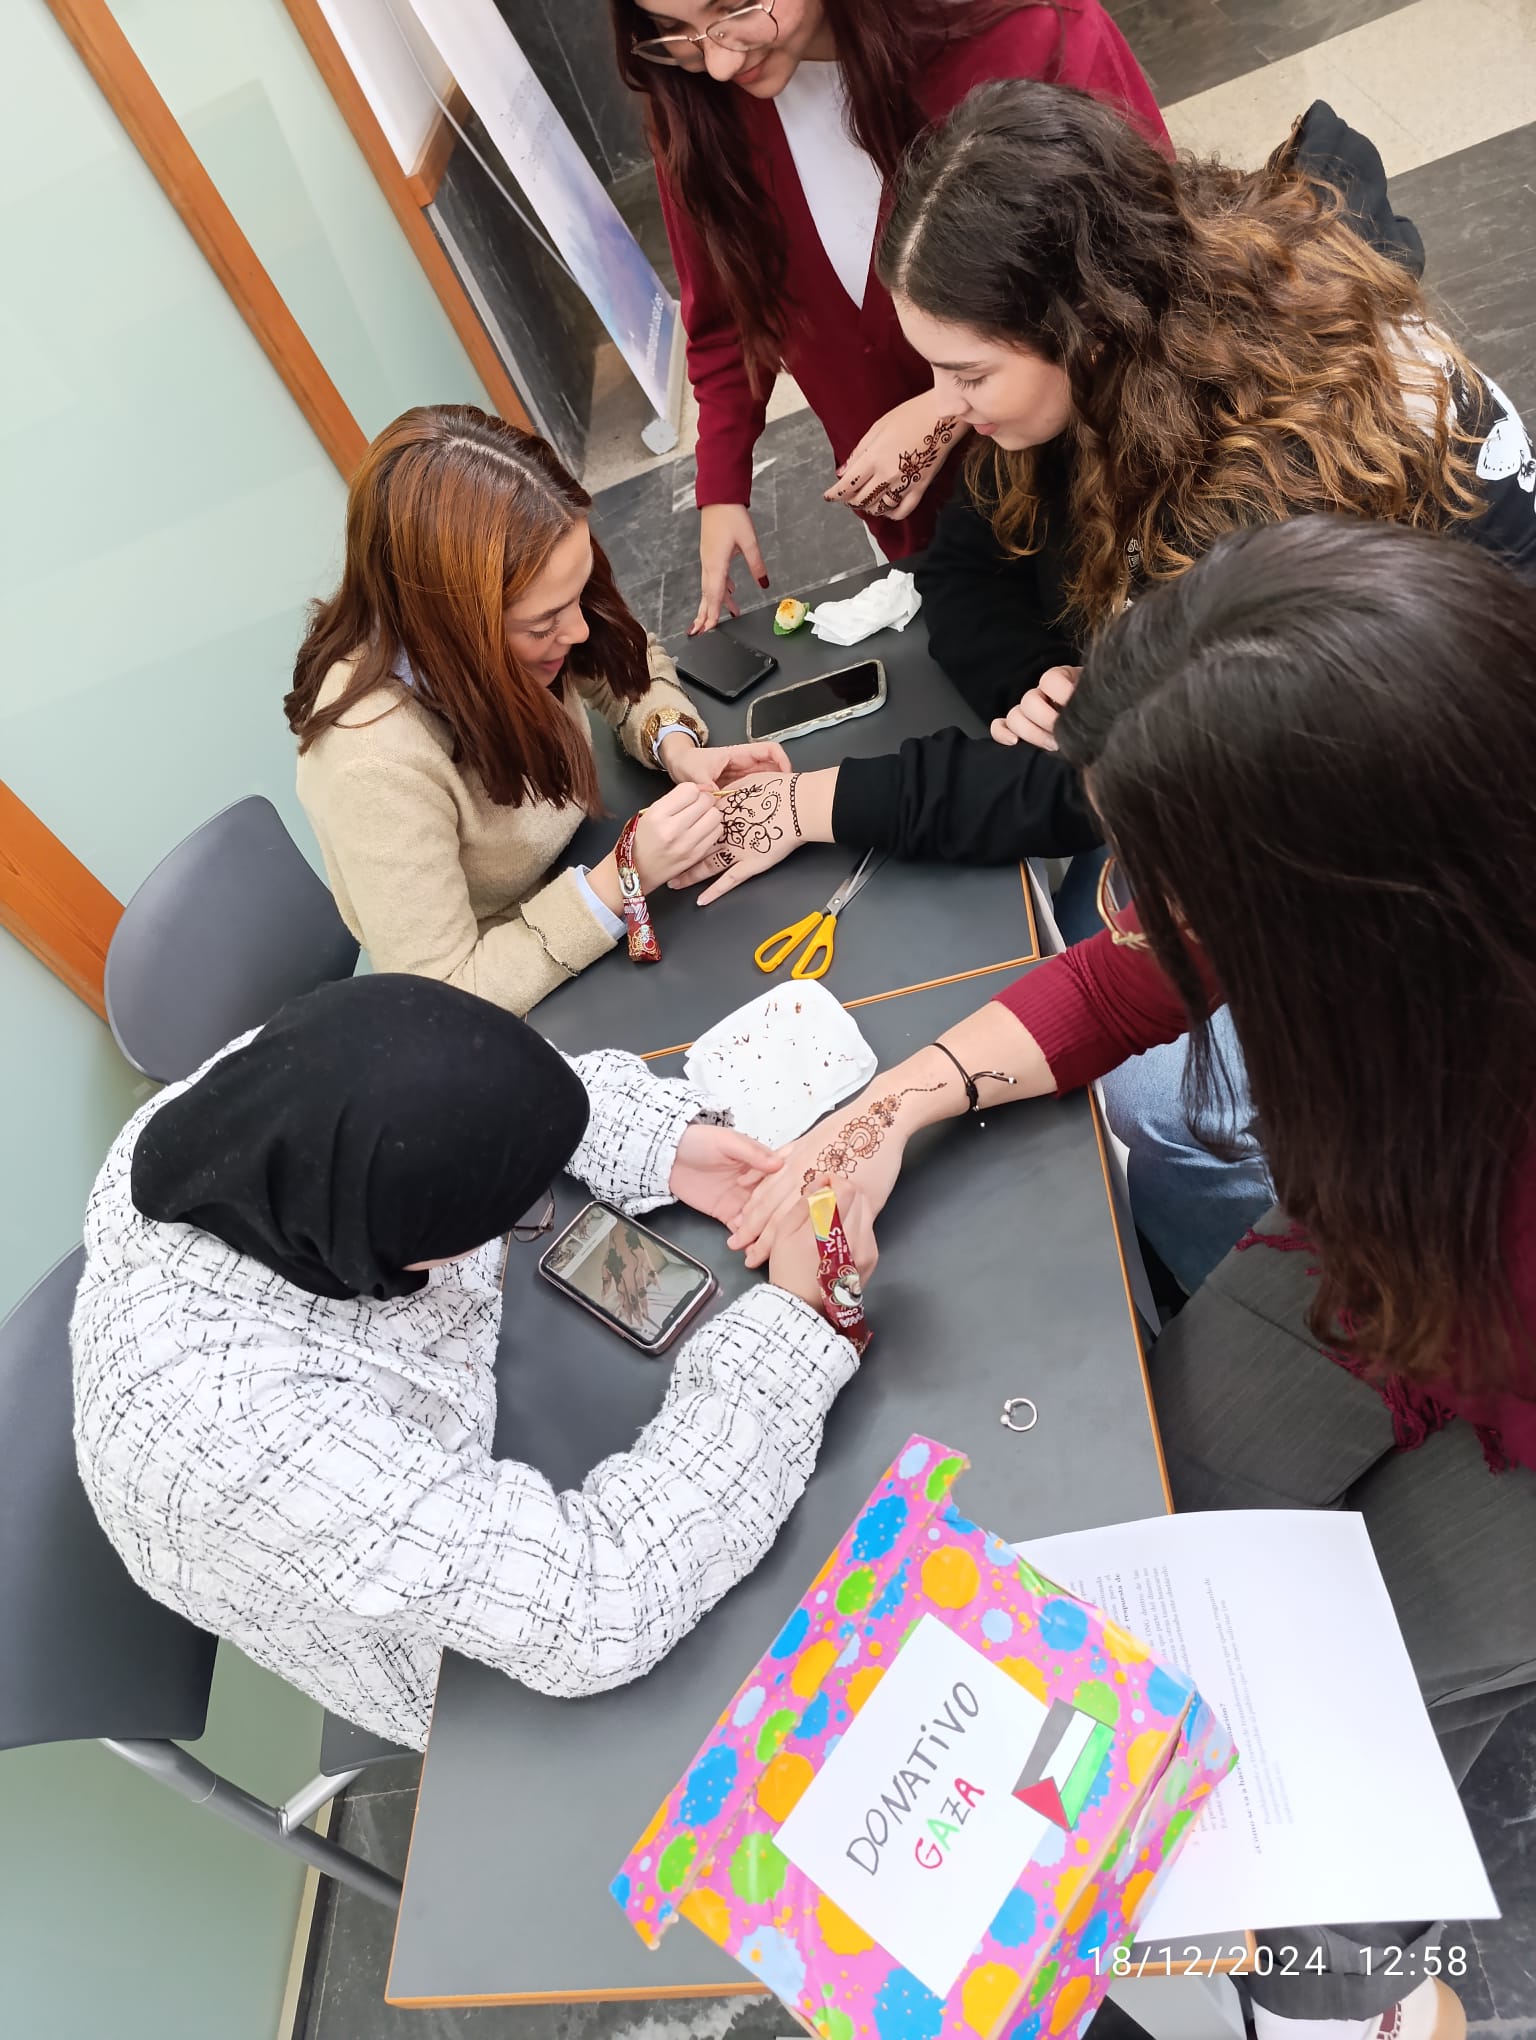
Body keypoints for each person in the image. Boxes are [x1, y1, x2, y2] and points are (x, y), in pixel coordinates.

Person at [728, 517, 1536, 2040]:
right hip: (1390, 1248)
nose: (1151, 922)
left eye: (1188, 894)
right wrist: (892, 1106)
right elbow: (1128, 974)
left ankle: (1355, 1999)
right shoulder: (1389, 852)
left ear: (1346, 897)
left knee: (1342, 1734)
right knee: (1124, 1524)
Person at [666, 80, 1536, 1286]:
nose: (940, 419)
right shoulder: (1154, 320)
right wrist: (1060, 681)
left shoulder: (1255, 512)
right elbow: (967, 576)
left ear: (1074, 326)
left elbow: (1136, 896)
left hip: (1443, 863)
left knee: (1179, 1109)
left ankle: (1330, 1272)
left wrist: (812, 804)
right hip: (1311, 783)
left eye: (964, 377)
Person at [71, 974, 876, 1751]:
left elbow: (470, 1085)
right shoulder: (236, 1435)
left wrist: (665, 1143)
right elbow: (599, 1607)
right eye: (521, 1214)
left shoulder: (256, 1103)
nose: (531, 1216)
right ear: (381, 1244)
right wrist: (795, 1325)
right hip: (460, 1660)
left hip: (459, 1418)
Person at [606, 0, 1165, 630]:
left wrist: (943, 409)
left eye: (736, 8)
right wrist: (722, 485)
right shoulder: (693, 108)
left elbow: (1144, 257)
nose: (718, 60)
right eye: (673, 31)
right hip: (918, 518)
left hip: (1096, 481)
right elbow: (723, 313)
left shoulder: (1025, 25)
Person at [284, 407, 787, 1019]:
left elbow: (617, 658)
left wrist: (674, 744)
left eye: (576, 597)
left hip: (576, 872)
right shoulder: (371, 762)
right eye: (543, 623)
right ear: (456, 630)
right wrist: (621, 879)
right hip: (515, 981)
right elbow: (445, 994)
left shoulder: (529, 604)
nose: (574, 630)